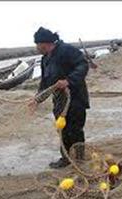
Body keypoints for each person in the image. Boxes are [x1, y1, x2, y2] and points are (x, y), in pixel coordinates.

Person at [28, 27, 90, 169]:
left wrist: (68, 80)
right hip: (59, 102)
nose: (36, 48)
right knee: (62, 130)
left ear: (45, 43)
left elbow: (83, 64)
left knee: (75, 130)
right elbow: (45, 83)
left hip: (75, 99)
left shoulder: (66, 50)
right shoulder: (45, 60)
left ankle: (79, 158)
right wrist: (37, 99)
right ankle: (66, 158)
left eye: (37, 45)